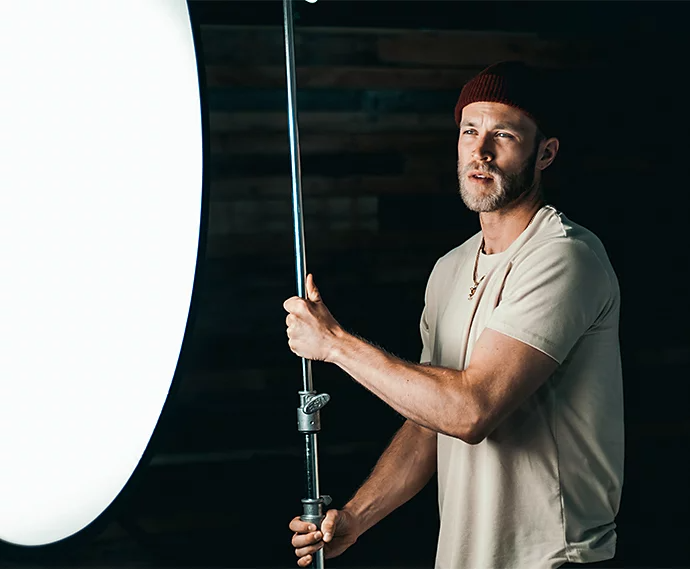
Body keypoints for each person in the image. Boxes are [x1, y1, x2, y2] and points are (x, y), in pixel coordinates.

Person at [283, 61, 624, 569]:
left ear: (545, 153)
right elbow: (430, 423)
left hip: (554, 561)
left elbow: (469, 411)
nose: (480, 151)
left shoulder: (563, 256)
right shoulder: (450, 269)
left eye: (503, 134)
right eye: (470, 131)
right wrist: (355, 518)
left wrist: (334, 344)